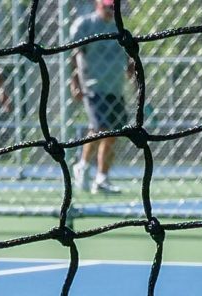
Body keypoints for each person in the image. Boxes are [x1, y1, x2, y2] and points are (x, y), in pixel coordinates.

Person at [67, 0, 137, 195]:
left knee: (111, 133)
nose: (111, 10)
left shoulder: (119, 29)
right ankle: (82, 165)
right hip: (93, 88)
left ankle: (101, 177)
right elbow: (75, 56)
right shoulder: (85, 25)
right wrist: (74, 83)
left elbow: (128, 58)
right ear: (98, 5)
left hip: (115, 89)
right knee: (102, 128)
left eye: (114, 7)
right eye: (108, 6)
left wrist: (133, 77)